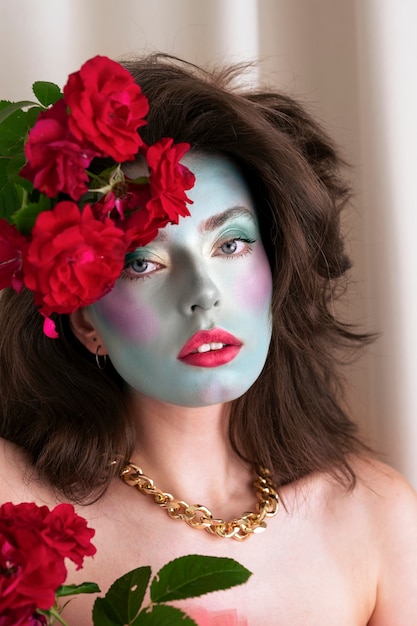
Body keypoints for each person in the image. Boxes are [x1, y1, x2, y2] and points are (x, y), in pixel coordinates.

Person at [0, 52, 417, 625]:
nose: (204, 295)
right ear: (85, 319)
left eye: (230, 244)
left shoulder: (374, 516)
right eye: (142, 263)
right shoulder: (15, 507)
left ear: (275, 267)